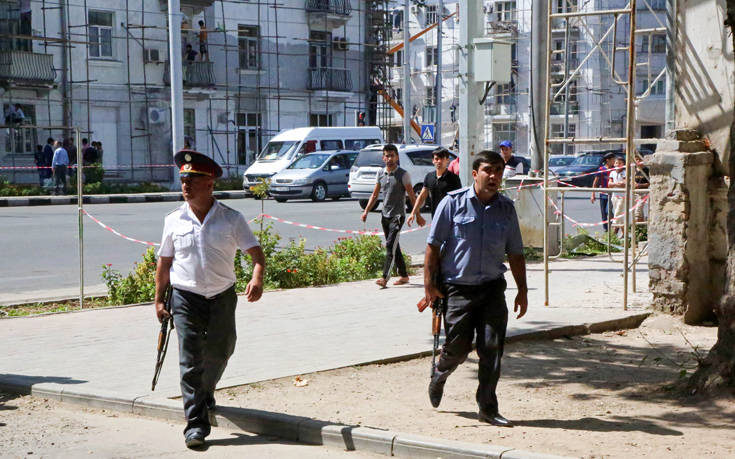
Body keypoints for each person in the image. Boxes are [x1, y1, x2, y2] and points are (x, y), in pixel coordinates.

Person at [155, 149, 266, 449]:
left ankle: (205, 393)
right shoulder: (173, 220)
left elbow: (257, 256)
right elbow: (164, 263)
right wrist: (159, 300)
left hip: (222, 296)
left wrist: (256, 278)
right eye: (183, 181)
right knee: (190, 359)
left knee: (222, 349)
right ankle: (195, 425)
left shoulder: (231, 219)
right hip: (185, 297)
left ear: (209, 183)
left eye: (192, 180)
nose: (185, 186)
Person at [424, 150, 528, 426]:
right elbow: (433, 246)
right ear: (474, 174)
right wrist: (429, 286)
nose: (493, 176)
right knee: (458, 349)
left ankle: (488, 408)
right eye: (488, 170)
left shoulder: (506, 209)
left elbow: (516, 253)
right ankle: (440, 372)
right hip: (458, 289)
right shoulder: (452, 203)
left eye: (498, 171)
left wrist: (523, 290)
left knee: (492, 348)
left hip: (492, 288)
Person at [360, 144, 419, 288]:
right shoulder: (381, 173)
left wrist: (417, 214)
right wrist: (366, 210)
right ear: (383, 158)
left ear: (397, 157)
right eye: (387, 156)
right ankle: (404, 276)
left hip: (398, 216)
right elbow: (375, 195)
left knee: (390, 245)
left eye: (392, 156)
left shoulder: (403, 175)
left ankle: (384, 278)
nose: (389, 159)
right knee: (394, 246)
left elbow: (412, 196)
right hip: (385, 215)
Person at [407, 147, 462, 227]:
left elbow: (459, 199)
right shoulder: (429, 177)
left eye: (442, 158)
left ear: (447, 160)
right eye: (436, 159)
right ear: (433, 161)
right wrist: (413, 213)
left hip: (451, 220)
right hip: (435, 218)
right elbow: (422, 196)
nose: (439, 161)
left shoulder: (454, 178)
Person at [591, 152, 616, 232]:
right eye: (613, 160)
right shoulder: (601, 169)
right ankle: (606, 229)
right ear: (608, 160)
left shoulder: (615, 169)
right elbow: (595, 182)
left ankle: (613, 226)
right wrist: (593, 194)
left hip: (612, 193)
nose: (614, 161)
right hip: (603, 193)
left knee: (608, 210)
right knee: (603, 213)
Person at [607, 156, 626, 235]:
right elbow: (609, 184)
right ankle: (624, 233)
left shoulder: (625, 172)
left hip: (622, 196)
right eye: (616, 163)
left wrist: (615, 184)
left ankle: (613, 232)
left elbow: (624, 184)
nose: (617, 164)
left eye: (619, 163)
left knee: (617, 213)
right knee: (619, 215)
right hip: (614, 196)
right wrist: (616, 184)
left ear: (623, 164)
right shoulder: (612, 173)